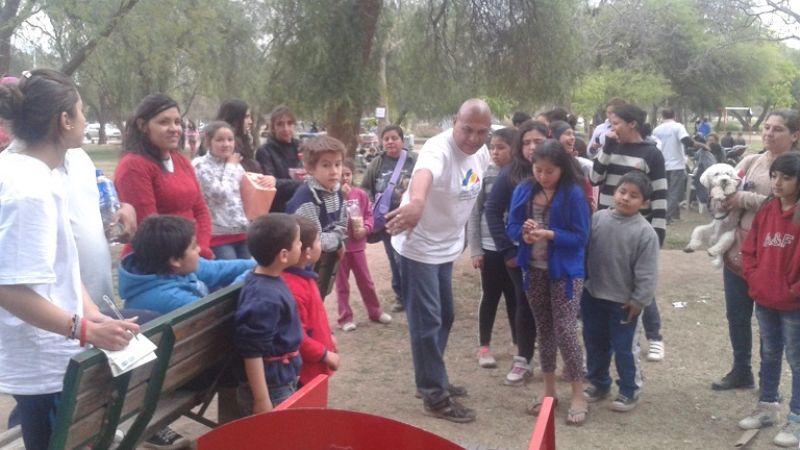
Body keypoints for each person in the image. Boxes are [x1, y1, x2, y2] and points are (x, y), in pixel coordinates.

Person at [0, 68, 139, 450]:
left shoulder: (38, 174)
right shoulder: (27, 189)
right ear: (64, 120)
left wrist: (91, 312)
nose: (84, 118)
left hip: (58, 347)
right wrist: (85, 330)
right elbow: (9, 289)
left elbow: (60, 264)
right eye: (81, 110)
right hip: (44, 360)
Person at [386, 98, 492, 423]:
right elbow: (425, 173)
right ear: (454, 121)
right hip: (418, 247)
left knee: (445, 316)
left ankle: (431, 376)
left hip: (446, 247)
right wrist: (417, 202)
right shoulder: (438, 148)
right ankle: (434, 394)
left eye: (482, 132)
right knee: (427, 322)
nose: (473, 138)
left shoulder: (481, 154)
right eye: (467, 129)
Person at [712, 109, 800, 391]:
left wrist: (744, 198)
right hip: (740, 251)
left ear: (795, 135)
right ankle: (741, 371)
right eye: (767, 127)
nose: (769, 133)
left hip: (776, 256)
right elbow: (727, 186)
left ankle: (767, 381)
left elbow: (784, 204)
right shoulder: (751, 161)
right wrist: (721, 197)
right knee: (737, 315)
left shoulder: (796, 169)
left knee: (769, 323)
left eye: (778, 129)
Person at [507, 139, 590, 425]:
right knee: (544, 329)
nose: (543, 176)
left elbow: (581, 237)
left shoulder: (573, 193)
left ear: (561, 169)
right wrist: (524, 233)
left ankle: (578, 394)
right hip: (533, 269)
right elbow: (512, 226)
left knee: (565, 330)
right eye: (538, 170)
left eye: (549, 171)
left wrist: (549, 234)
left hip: (566, 272)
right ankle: (549, 391)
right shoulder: (524, 190)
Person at [591, 103, 668, 363]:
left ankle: (655, 337)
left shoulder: (651, 154)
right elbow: (594, 178)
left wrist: (658, 231)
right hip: (606, 225)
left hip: (636, 230)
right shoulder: (610, 148)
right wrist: (607, 148)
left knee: (640, 283)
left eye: (615, 124)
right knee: (609, 280)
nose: (611, 129)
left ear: (632, 124)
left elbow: (660, 193)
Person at [582, 171, 660, 414]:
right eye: (622, 191)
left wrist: (639, 300)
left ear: (644, 203)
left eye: (634, 196)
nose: (625, 198)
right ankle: (599, 383)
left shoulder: (645, 233)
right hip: (593, 295)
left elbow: (647, 272)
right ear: (614, 192)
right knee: (594, 342)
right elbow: (584, 253)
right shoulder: (597, 219)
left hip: (624, 304)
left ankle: (629, 389)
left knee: (624, 348)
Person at [737, 152, 800, 447]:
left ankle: (796, 418)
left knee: (797, 360)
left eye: (786, 178)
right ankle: (767, 406)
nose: (777, 183)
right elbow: (750, 249)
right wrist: (755, 278)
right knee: (770, 353)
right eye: (774, 176)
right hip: (765, 298)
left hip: (794, 305)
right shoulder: (767, 208)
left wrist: (793, 290)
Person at [484, 120, 547, 386]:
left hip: (557, 253)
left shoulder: (564, 170)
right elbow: (492, 211)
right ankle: (523, 360)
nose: (532, 147)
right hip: (520, 255)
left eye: (538, 142)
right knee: (525, 304)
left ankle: (561, 360)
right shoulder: (511, 173)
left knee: (557, 308)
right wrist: (507, 249)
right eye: (526, 142)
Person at [115, 94, 214, 259]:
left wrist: (200, 249)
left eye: (177, 122)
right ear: (142, 125)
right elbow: (150, 229)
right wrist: (189, 256)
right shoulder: (134, 166)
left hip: (191, 256)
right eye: (164, 122)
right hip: (159, 261)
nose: (174, 129)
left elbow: (201, 210)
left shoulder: (180, 160)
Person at [235, 213, 303, 414]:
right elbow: (252, 352)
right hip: (272, 389)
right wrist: (262, 400)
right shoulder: (264, 298)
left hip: (281, 379)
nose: (301, 245)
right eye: (298, 242)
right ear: (284, 255)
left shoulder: (269, 280)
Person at [118, 215, 255, 314]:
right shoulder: (173, 299)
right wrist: (250, 276)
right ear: (175, 260)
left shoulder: (170, 266)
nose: (199, 250)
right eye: (194, 247)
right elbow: (216, 315)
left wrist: (260, 262)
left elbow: (218, 269)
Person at [467, 127, 518, 368]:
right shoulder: (482, 175)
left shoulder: (522, 175)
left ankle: (518, 343)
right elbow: (474, 213)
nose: (495, 152)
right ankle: (484, 347)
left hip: (514, 248)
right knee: (490, 297)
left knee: (515, 298)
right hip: (489, 249)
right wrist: (476, 249)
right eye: (492, 147)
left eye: (501, 147)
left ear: (514, 149)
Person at [193, 121, 275, 260]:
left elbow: (246, 192)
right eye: (220, 140)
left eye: (230, 140)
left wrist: (268, 181)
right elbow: (220, 195)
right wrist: (231, 166)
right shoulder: (200, 165)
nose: (226, 144)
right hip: (218, 235)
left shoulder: (236, 165)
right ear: (208, 142)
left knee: (247, 271)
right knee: (231, 273)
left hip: (243, 233)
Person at [361, 125, 417, 312]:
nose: (390, 142)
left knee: (410, 258)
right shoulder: (377, 163)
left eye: (394, 138)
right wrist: (371, 203)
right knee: (394, 259)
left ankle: (414, 295)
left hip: (408, 219)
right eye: (386, 139)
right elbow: (365, 188)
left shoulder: (414, 160)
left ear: (402, 140)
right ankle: (401, 297)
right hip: (385, 221)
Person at [286, 135, 347, 299]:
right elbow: (314, 241)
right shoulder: (306, 198)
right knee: (303, 300)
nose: (334, 171)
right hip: (298, 264)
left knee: (319, 295)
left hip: (320, 261)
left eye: (338, 164)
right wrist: (337, 241)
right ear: (310, 168)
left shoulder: (337, 191)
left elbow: (342, 225)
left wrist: (337, 239)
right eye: (326, 165)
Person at [335, 159, 392, 330]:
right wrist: (341, 197)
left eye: (348, 174)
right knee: (342, 285)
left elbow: (369, 215)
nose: (345, 178)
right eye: (341, 175)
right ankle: (345, 318)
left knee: (366, 281)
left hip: (357, 246)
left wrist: (366, 228)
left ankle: (375, 312)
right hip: (339, 248)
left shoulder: (360, 194)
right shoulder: (331, 196)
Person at [283, 216, 340, 386]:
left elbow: (316, 316)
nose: (320, 245)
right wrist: (324, 354)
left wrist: (329, 336)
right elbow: (297, 336)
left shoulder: (304, 277)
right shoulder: (294, 289)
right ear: (307, 252)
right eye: (318, 241)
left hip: (315, 364)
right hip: (305, 372)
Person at [256, 105, 304, 212]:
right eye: (280, 124)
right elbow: (270, 185)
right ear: (273, 127)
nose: (286, 129)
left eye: (289, 123)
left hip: (302, 207)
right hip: (279, 211)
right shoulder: (265, 151)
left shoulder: (301, 148)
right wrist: (303, 183)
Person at [652, 108, 694, 224]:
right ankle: (666, 217)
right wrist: (697, 144)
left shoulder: (656, 130)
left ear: (662, 116)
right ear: (674, 116)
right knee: (674, 191)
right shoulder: (678, 127)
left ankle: (675, 214)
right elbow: (685, 140)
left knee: (665, 191)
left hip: (661, 164)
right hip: (676, 165)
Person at [216, 99, 261, 173]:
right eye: (246, 117)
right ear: (234, 119)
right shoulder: (225, 147)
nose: (250, 122)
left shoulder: (245, 142)